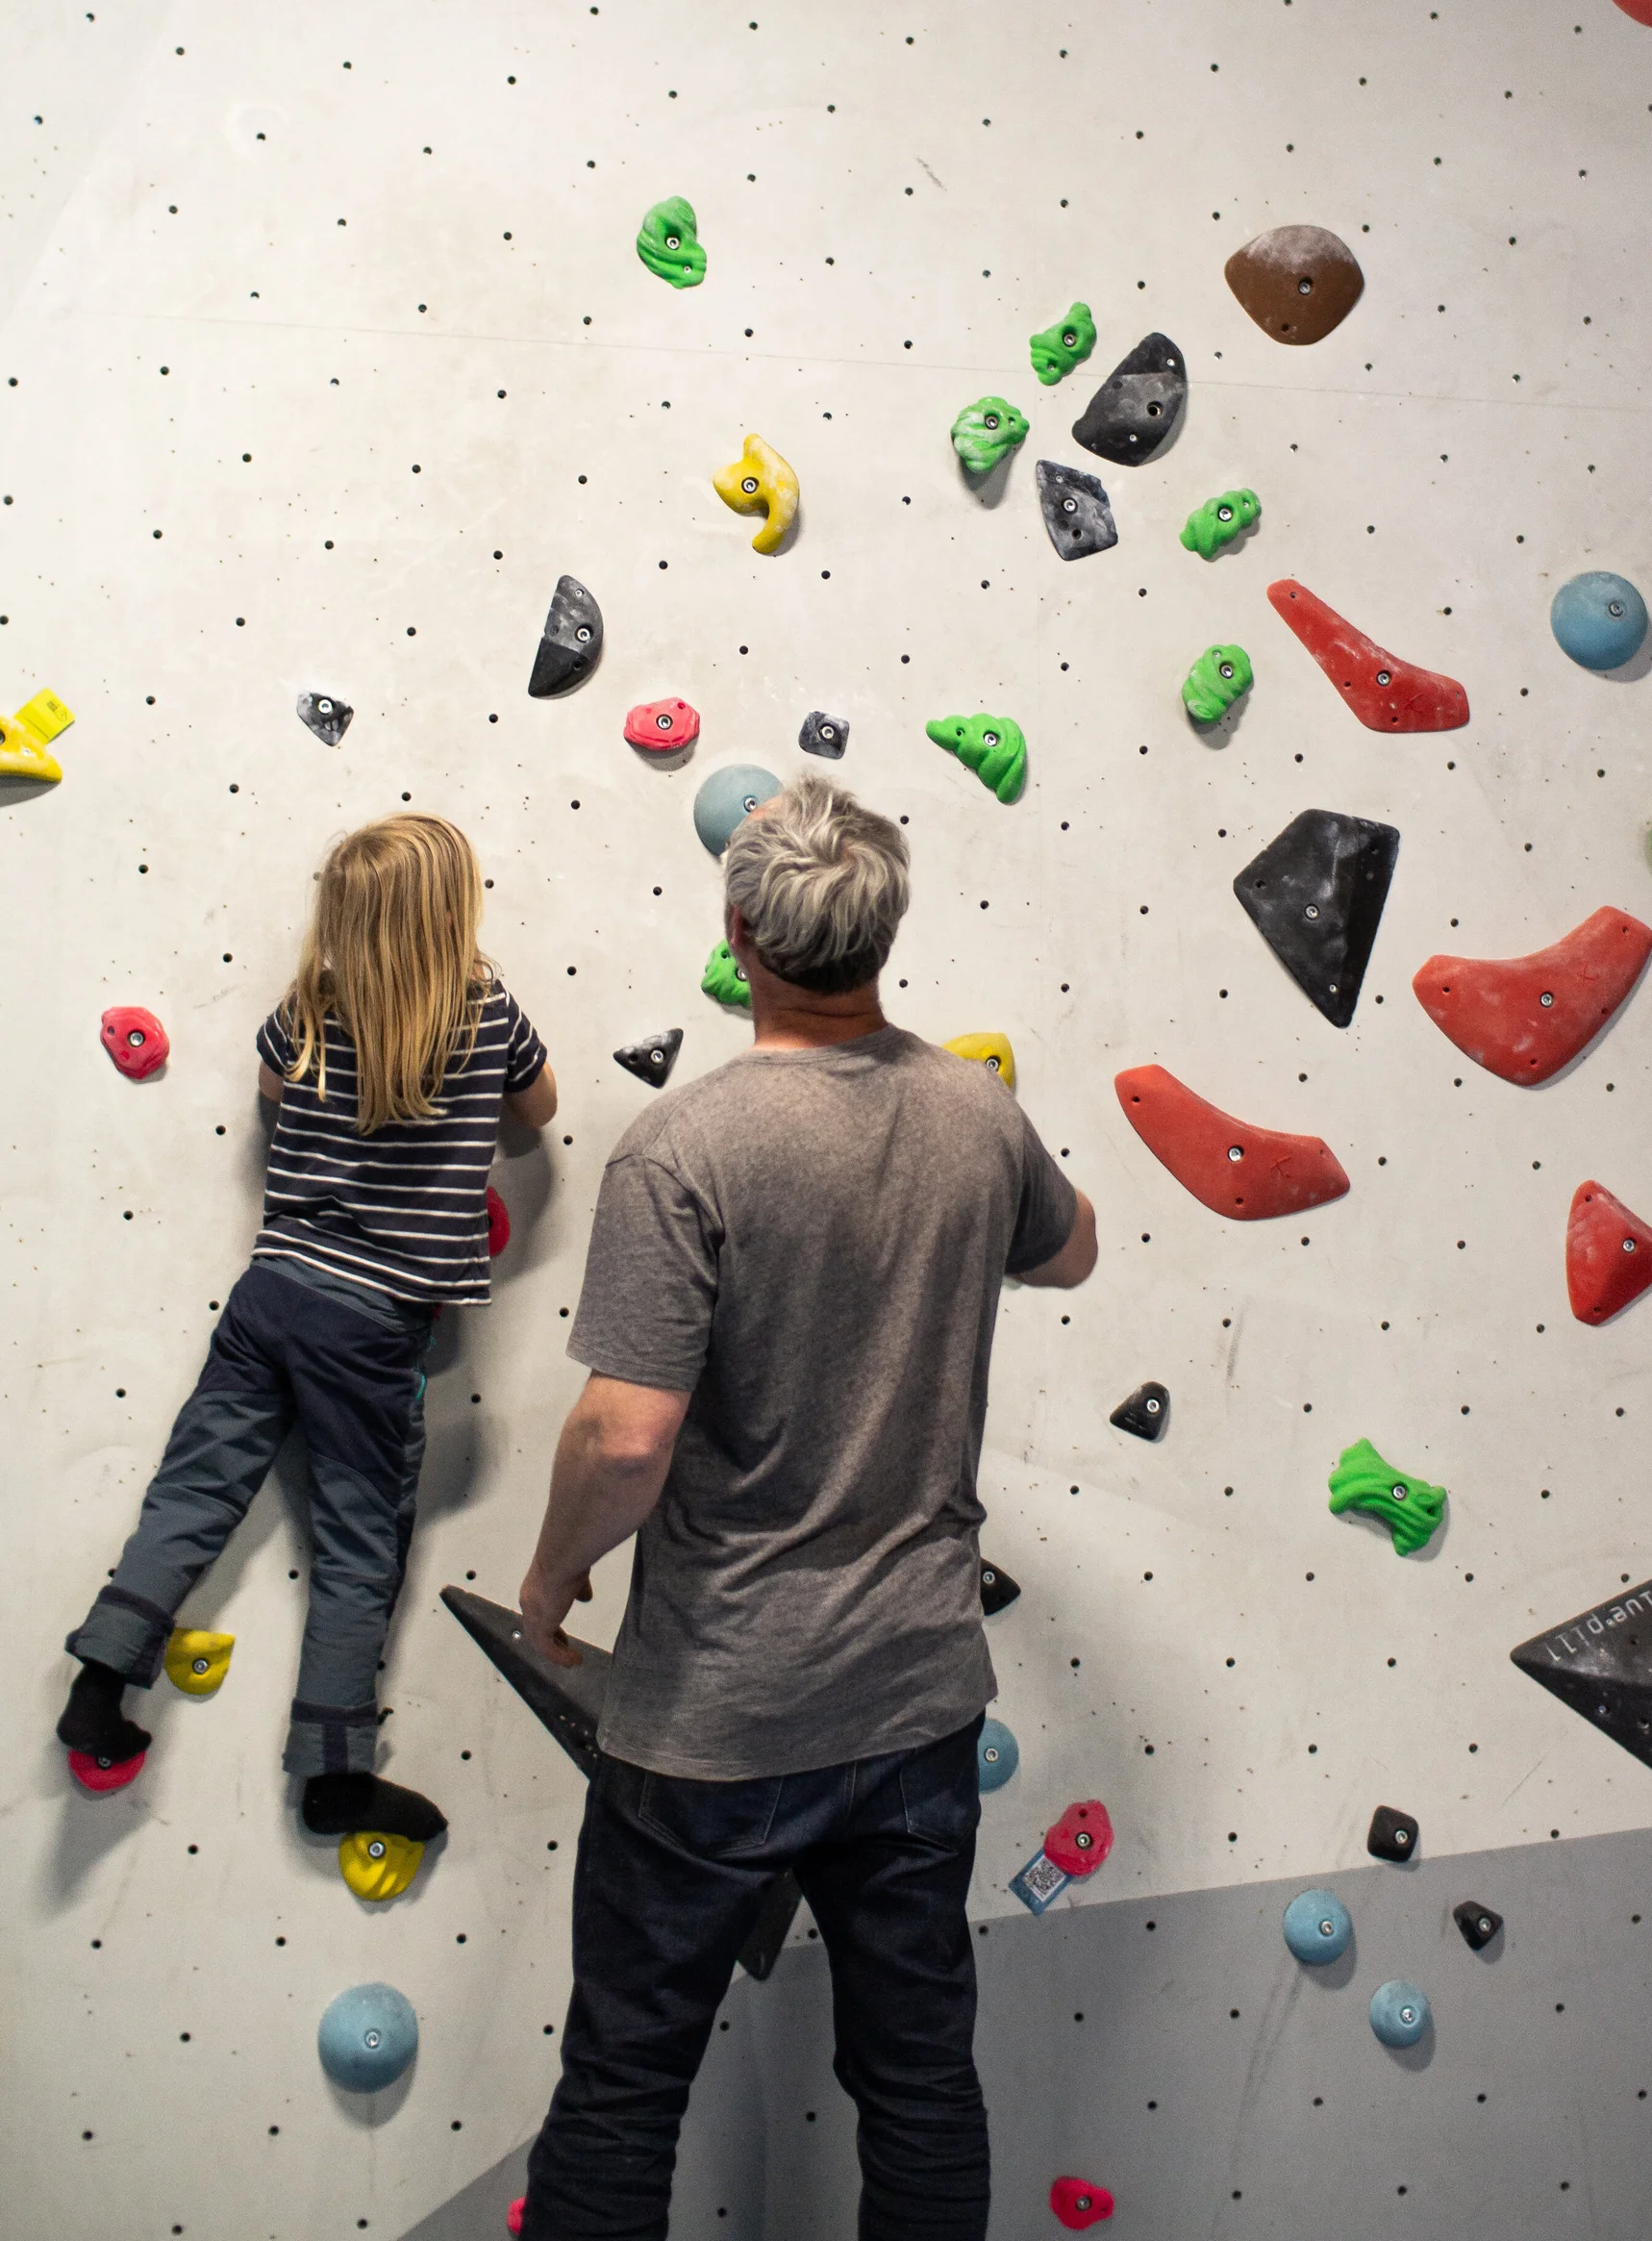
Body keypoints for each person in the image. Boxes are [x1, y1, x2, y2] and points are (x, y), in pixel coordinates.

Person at [515, 775, 1098, 2241]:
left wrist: (549, 1579)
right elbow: (1075, 1250)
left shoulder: (689, 1144)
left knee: (624, 2085)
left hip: (718, 1710)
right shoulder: (976, 1113)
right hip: (913, 1701)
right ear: (884, 933)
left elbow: (626, 1434)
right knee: (916, 2082)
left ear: (739, 933)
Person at [56, 813, 557, 1853]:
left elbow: (271, 1091)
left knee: (192, 1492)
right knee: (359, 1546)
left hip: (271, 1293)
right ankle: (334, 1780)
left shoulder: (311, 1009)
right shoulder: (486, 1013)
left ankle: (101, 1681)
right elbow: (539, 1110)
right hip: (369, 1326)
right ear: (455, 910)